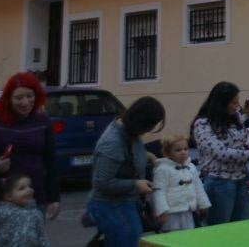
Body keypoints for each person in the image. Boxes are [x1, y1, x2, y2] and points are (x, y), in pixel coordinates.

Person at [0, 73, 59, 227]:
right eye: (18, 98)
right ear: (8, 99)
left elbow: (50, 161)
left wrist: (54, 197)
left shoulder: (43, 121)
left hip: (33, 200)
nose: (25, 102)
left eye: (30, 96)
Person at [87, 96, 165, 247]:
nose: (149, 131)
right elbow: (101, 182)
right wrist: (135, 185)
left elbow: (127, 154)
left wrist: (146, 155)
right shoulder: (113, 142)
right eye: (150, 126)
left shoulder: (129, 130)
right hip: (113, 206)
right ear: (141, 122)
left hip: (124, 203)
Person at [192, 82, 249, 225]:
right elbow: (220, 152)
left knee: (240, 226)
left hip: (243, 179)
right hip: (220, 182)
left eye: (237, 101)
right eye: (233, 102)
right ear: (221, 103)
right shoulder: (203, 124)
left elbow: (243, 141)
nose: (237, 105)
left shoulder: (235, 118)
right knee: (219, 227)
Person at [151, 136, 209, 232]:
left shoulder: (191, 167)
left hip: (188, 211)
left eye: (185, 149)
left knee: (189, 236)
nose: (183, 152)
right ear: (167, 153)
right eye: (178, 150)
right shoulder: (162, 169)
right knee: (172, 237)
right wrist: (162, 212)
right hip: (171, 213)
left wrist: (203, 204)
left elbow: (198, 187)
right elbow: (159, 192)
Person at [0, 175, 48, 247]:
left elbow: (42, 236)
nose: (29, 190)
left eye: (30, 186)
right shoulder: (0, 211)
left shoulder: (36, 213)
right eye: (22, 188)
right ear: (8, 196)